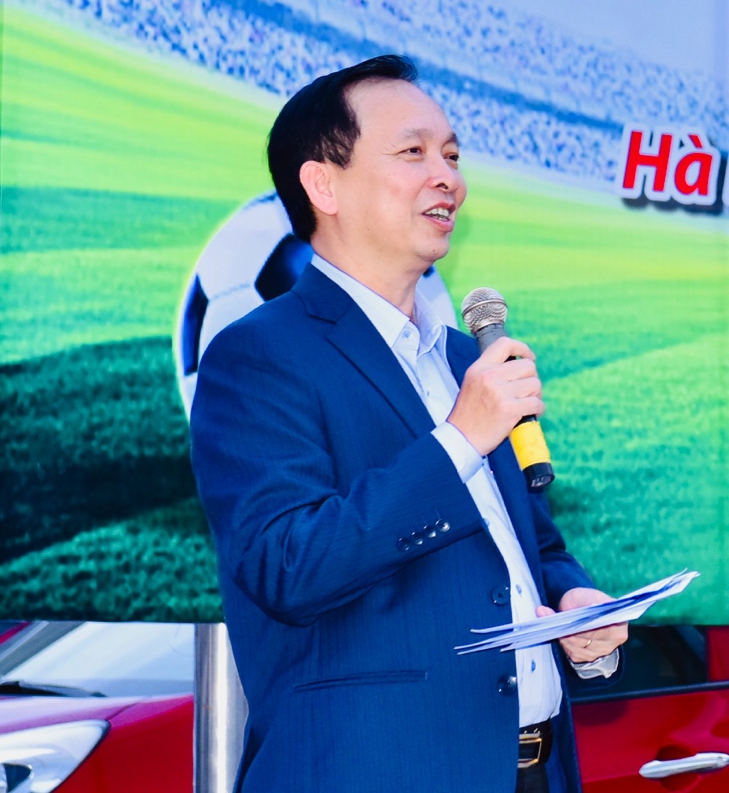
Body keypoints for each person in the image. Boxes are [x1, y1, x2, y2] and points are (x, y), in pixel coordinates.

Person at [190, 55, 627, 793]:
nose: (447, 177)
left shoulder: (464, 358)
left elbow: (535, 548)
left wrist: (575, 604)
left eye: (452, 155)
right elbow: (287, 565)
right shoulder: (257, 356)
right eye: (413, 152)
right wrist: (459, 440)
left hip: (534, 770)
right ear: (323, 185)